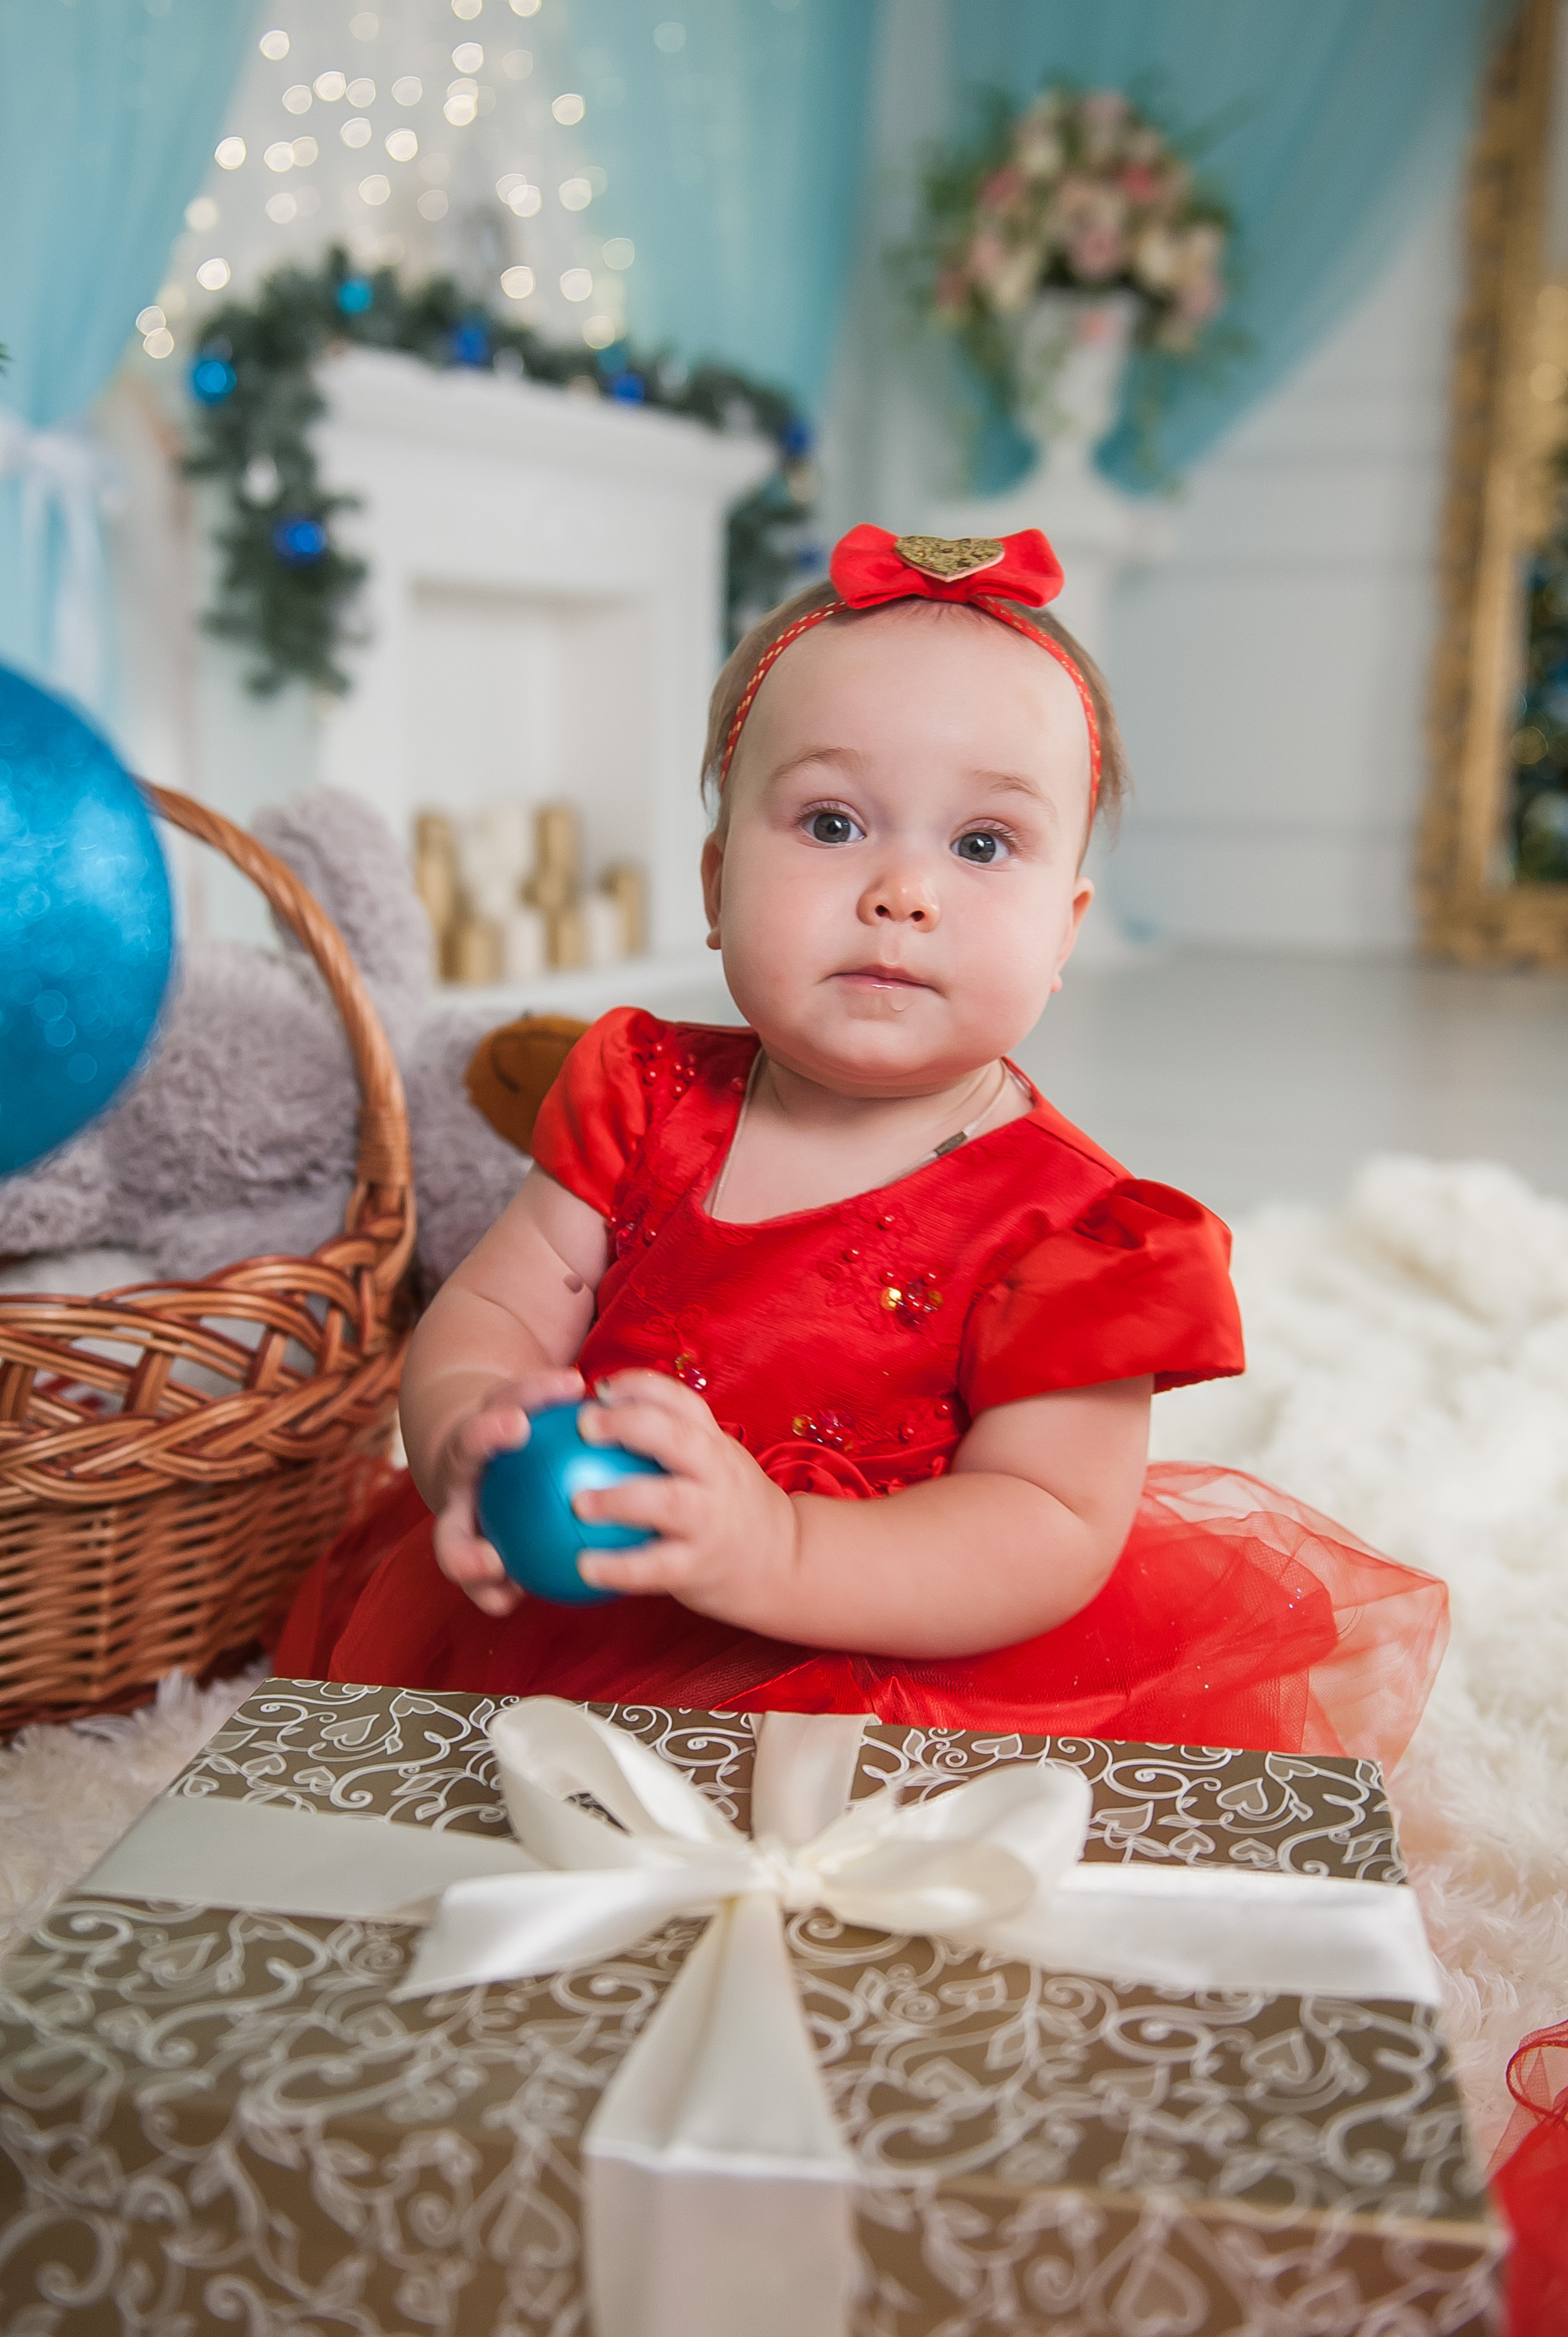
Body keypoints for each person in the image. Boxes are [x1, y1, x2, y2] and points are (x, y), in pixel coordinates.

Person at [277, 524, 1446, 1766]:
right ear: (717, 881)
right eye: (831, 823)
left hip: (895, 1659)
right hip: (587, 1604)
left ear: (1064, 931)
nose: (902, 889)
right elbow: (499, 1305)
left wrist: (775, 1551)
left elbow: (1043, 1524)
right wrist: (470, 1430)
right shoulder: (639, 1093)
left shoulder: (1074, 1231)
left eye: (981, 843)